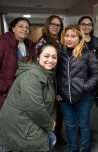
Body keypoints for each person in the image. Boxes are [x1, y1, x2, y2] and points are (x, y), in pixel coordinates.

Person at [0, 44, 58, 151]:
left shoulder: (47, 73)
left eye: (54, 57)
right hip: (21, 125)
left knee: (51, 140)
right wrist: (50, 124)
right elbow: (35, 107)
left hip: (27, 121)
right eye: (46, 56)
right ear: (38, 57)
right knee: (49, 142)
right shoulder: (32, 75)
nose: (50, 60)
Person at [0, 17, 35, 136]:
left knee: (22, 131)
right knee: (8, 133)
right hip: (6, 95)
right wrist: (4, 89)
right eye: (21, 26)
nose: (25, 29)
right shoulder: (3, 43)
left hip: (24, 94)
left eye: (27, 27)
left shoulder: (31, 46)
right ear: (13, 28)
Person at [56, 24, 98, 152]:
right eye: (67, 36)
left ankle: (86, 148)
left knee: (83, 125)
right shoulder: (60, 53)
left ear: (80, 38)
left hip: (84, 98)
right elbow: (55, 75)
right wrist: (58, 91)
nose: (69, 39)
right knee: (69, 126)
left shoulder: (88, 54)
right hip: (64, 99)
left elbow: (95, 75)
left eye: (73, 36)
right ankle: (72, 149)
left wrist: (85, 87)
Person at [35, 14, 66, 145]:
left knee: (59, 113)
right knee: (50, 111)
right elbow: (40, 66)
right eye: (53, 24)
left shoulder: (61, 40)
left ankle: (57, 135)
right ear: (48, 25)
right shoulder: (43, 41)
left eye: (58, 25)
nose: (55, 27)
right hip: (50, 81)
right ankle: (49, 138)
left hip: (60, 79)